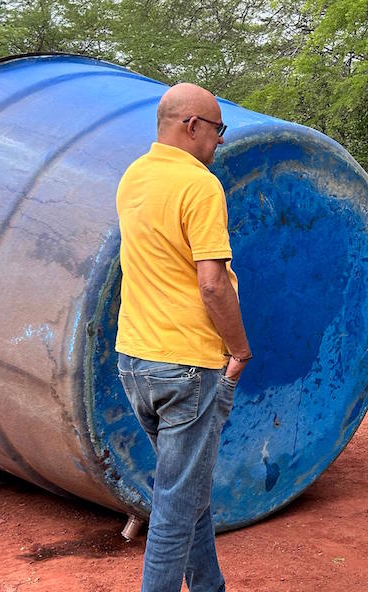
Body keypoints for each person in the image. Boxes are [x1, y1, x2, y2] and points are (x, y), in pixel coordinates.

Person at [114, 83, 253, 592]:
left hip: (135, 361)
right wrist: (239, 348)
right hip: (186, 368)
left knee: (188, 490)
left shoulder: (133, 178)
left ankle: (210, 587)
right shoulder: (199, 185)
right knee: (174, 505)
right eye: (217, 130)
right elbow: (212, 283)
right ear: (190, 125)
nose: (219, 142)